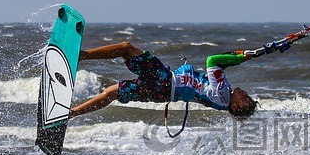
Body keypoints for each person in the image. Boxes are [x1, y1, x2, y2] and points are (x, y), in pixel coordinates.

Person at [69, 41, 257, 118]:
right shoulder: (223, 100)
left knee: (126, 48)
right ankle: (72, 113)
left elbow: (213, 61)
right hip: (162, 94)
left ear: (236, 106)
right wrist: (242, 54)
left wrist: (241, 57)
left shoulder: (222, 93)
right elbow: (219, 67)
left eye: (246, 99)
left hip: (165, 81)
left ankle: (81, 56)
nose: (246, 94)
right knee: (112, 93)